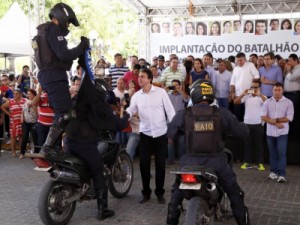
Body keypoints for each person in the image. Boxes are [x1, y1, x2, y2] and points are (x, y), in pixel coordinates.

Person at [166, 79, 250, 225]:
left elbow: (169, 137)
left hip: (189, 163)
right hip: (216, 162)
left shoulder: (183, 114)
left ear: (193, 94)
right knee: (235, 194)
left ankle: (171, 221)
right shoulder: (222, 113)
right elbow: (243, 133)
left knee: (176, 195)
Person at [35, 3, 90, 155]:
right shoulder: (54, 30)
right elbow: (64, 55)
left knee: (61, 114)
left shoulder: (44, 32)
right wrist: (82, 46)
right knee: (65, 114)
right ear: (61, 16)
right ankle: (48, 147)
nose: (68, 26)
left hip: (48, 76)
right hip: (54, 76)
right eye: (68, 22)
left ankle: (56, 148)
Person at [126, 68, 175, 204]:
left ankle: (160, 192)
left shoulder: (161, 93)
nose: (139, 79)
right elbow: (131, 110)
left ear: (149, 79)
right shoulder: (136, 96)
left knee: (160, 165)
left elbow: (170, 111)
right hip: (145, 134)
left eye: (142, 76)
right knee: (144, 165)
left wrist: (173, 130)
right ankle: (146, 192)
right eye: (139, 77)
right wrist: (125, 115)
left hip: (160, 133)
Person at [261, 82, 294, 183]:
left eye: (279, 90)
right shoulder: (267, 102)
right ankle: (273, 172)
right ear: (272, 90)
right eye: (275, 90)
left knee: (281, 153)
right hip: (270, 132)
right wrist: (276, 123)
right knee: (272, 153)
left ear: (282, 91)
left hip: (282, 132)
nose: (277, 92)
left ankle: (281, 175)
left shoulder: (288, 103)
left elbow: (289, 118)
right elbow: (263, 116)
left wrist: (274, 121)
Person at [234, 80, 267, 170]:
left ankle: (260, 163)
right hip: (247, 124)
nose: (253, 89)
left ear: (259, 88)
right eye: (252, 87)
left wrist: (259, 94)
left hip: (258, 123)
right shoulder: (247, 97)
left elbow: (267, 104)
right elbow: (235, 102)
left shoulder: (262, 97)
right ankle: (247, 162)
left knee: (258, 144)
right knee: (247, 144)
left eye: (255, 87)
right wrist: (242, 94)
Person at [230, 52, 260, 122]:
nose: (239, 62)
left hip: (248, 95)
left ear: (245, 59)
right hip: (238, 96)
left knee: (247, 116)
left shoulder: (250, 65)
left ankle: (247, 131)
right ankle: (239, 131)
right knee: (237, 116)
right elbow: (232, 82)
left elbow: (257, 76)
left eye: (241, 60)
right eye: (237, 60)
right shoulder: (235, 68)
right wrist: (232, 93)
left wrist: (252, 88)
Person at [166, 79, 189, 164]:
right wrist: (165, 90)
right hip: (170, 121)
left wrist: (181, 90)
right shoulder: (168, 95)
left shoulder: (182, 94)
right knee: (169, 140)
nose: (174, 87)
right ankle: (170, 159)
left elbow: (187, 100)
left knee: (182, 140)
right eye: (173, 85)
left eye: (176, 85)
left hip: (180, 121)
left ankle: (182, 159)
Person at [1, 88, 27, 157]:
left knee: (21, 137)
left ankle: (22, 152)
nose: (15, 95)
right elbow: (2, 107)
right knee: (13, 137)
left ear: (20, 94)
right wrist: (9, 114)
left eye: (16, 93)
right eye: (14, 94)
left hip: (22, 121)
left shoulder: (25, 100)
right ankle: (13, 152)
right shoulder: (11, 101)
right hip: (14, 122)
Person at [283, 53, 300, 137]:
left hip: (294, 94)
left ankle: (295, 134)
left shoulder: (299, 69)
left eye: (290, 61)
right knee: (287, 114)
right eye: (288, 60)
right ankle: (289, 132)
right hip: (287, 94)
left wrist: (289, 71)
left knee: (294, 114)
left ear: (296, 60)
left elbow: (291, 78)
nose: (288, 62)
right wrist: (287, 70)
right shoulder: (291, 68)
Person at [19, 89, 38, 159]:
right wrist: (22, 117)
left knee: (35, 138)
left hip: (34, 122)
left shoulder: (37, 101)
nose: (29, 95)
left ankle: (36, 153)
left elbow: (38, 113)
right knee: (25, 137)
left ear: (34, 94)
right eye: (28, 94)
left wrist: (32, 106)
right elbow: (23, 110)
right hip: (26, 122)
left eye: (30, 94)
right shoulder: (26, 101)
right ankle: (22, 152)